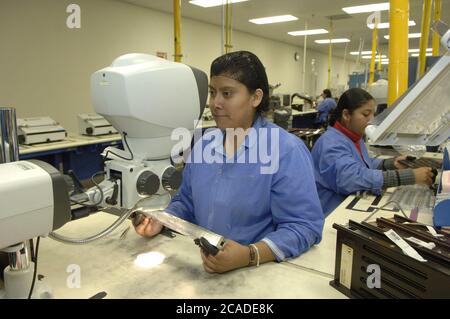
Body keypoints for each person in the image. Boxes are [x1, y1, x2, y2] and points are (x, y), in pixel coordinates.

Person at [134, 51, 324, 273]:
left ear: (256, 97)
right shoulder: (204, 145)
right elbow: (186, 202)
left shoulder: (285, 151)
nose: (215, 103)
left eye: (227, 93)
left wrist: (249, 255)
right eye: (213, 93)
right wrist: (163, 220)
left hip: (258, 274)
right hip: (204, 268)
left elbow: (304, 226)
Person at [311, 88, 435, 217]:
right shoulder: (331, 144)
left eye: (373, 114)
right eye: (366, 114)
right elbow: (352, 178)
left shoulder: (353, 137)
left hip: (347, 204)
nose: (371, 120)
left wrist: (390, 163)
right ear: (346, 115)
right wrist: (408, 176)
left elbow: (361, 163)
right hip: (331, 214)